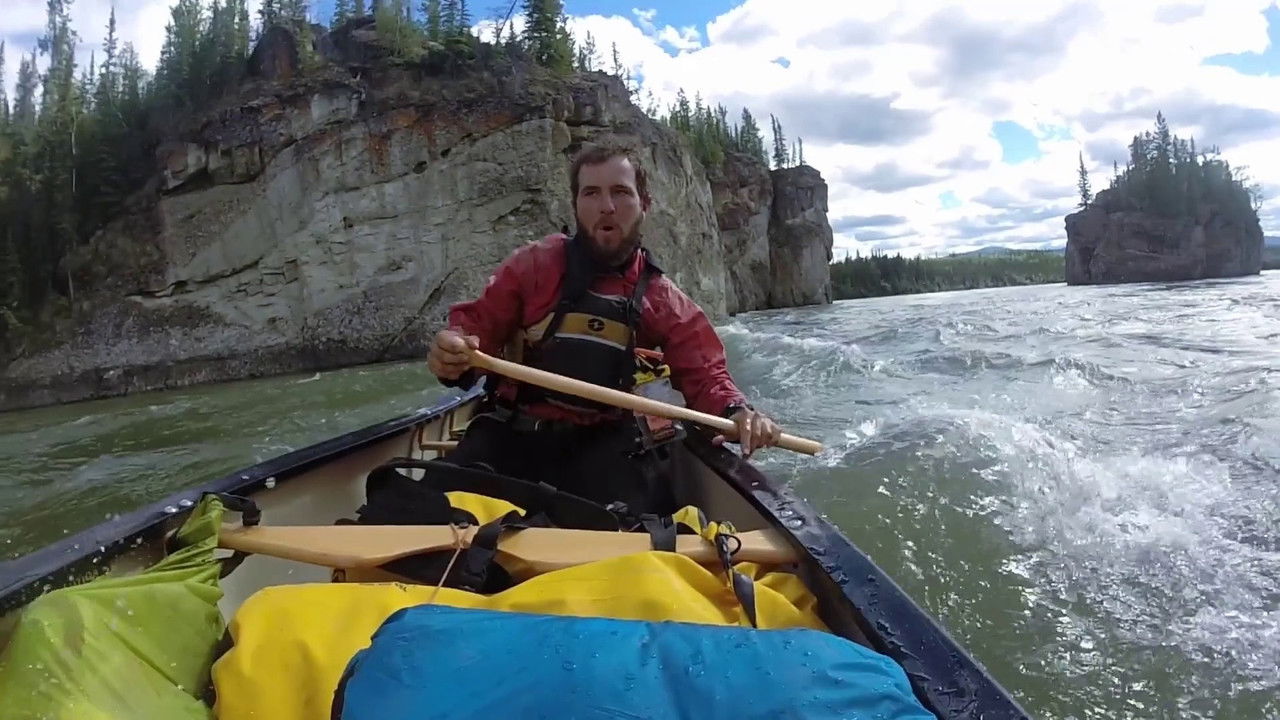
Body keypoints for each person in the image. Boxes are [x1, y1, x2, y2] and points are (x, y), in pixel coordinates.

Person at [427, 137, 781, 516]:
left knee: (644, 530)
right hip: (511, 435)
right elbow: (475, 329)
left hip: (602, 445)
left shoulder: (662, 299)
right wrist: (452, 350)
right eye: (591, 193)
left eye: (620, 192)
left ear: (644, 204)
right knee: (416, 510)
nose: (606, 207)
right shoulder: (532, 266)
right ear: (576, 204)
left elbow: (707, 376)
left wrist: (737, 412)